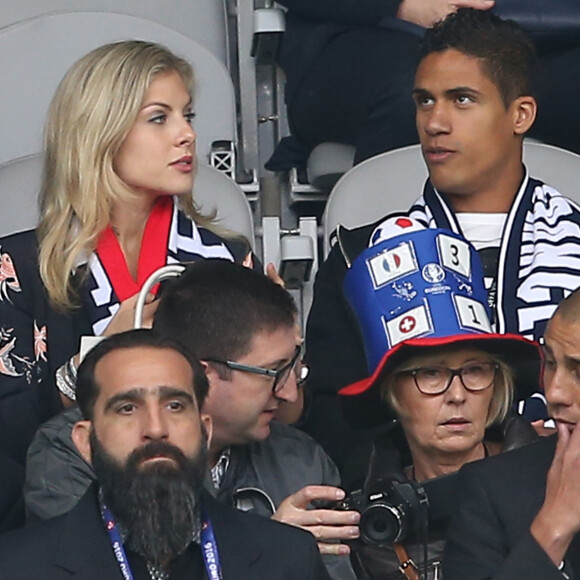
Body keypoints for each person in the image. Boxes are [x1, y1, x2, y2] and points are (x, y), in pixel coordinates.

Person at [302, 8, 580, 474]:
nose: (435, 122)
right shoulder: (362, 256)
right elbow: (336, 423)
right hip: (424, 521)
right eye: (424, 101)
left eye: (462, 100)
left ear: (521, 114)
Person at [0, 40, 252, 468]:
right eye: (159, 118)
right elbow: (9, 436)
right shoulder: (17, 266)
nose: (187, 134)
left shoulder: (225, 260)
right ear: (100, 132)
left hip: (206, 499)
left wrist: (281, 360)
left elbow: (273, 421)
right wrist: (96, 355)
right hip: (67, 508)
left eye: (187, 116)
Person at [24, 261, 357, 580]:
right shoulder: (72, 454)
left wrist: (287, 555)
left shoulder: (300, 462)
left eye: (293, 367)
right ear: (203, 374)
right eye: (274, 372)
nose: (289, 394)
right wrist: (266, 552)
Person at [0, 329, 331, 579]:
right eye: (127, 408)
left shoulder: (287, 559)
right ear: (86, 441)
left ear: (205, 430)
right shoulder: (18, 568)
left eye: (175, 406)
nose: (156, 428)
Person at [334, 220, 540, 578]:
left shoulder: (555, 486)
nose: (458, 395)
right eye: (431, 374)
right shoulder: (356, 528)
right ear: (391, 391)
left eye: (475, 370)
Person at [268, 1, 580, 172]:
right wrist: (404, 5)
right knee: (423, 95)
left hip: (538, 33)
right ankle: (391, 267)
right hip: (364, 33)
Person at [443, 288, 580, 579]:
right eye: (551, 364)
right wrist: (552, 528)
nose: (554, 392)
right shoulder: (494, 491)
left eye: (579, 371)